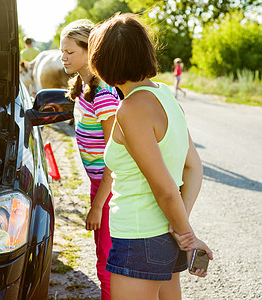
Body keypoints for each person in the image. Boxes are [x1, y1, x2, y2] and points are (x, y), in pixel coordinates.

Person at [88, 13, 213, 299]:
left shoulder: (131, 109)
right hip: (165, 237)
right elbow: (193, 167)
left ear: (103, 62)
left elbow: (165, 187)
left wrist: (189, 237)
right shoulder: (167, 95)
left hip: (138, 238)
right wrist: (179, 226)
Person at [60, 19, 121, 300]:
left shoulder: (104, 93)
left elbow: (115, 153)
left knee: (107, 263)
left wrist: (97, 205)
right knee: (103, 256)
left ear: (89, 51)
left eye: (70, 52)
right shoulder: (82, 89)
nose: (63, 57)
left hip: (110, 188)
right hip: (97, 184)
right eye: (62, 51)